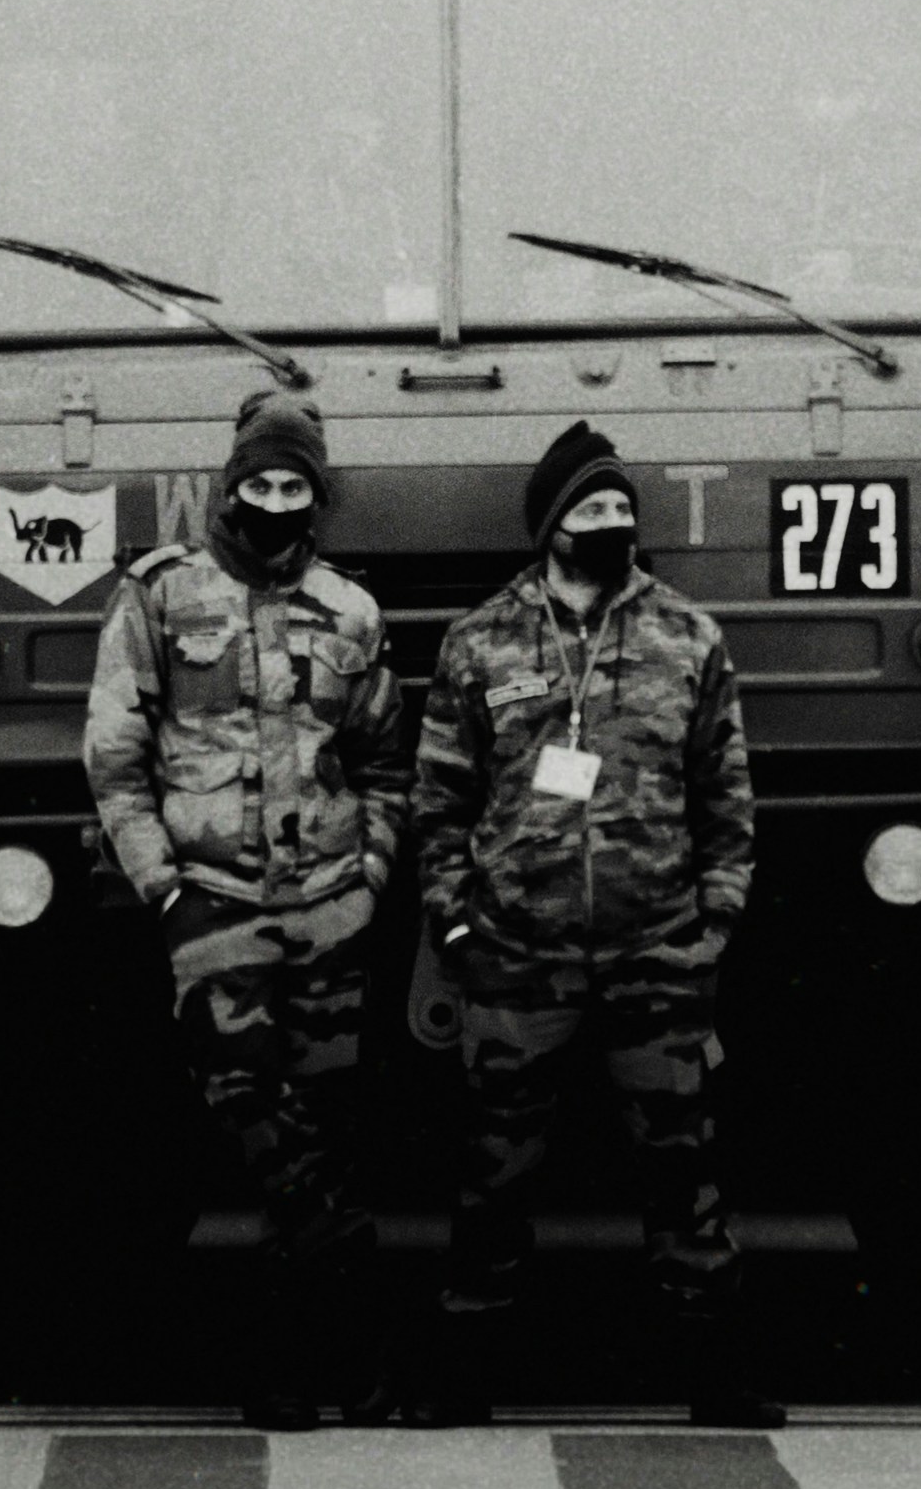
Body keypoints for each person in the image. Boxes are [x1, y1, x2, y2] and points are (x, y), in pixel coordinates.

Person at [407, 420, 785, 1429]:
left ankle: (715, 1373)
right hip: (515, 956)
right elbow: (438, 802)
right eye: (588, 509)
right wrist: (454, 926)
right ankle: (462, 1372)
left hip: (654, 951)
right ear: (550, 526)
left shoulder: (688, 638)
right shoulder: (480, 642)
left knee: (682, 1169)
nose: (608, 524)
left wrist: (711, 926)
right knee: (495, 1172)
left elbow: (727, 802)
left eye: (620, 508)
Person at [84, 390, 408, 1430]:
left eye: (295, 486)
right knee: (263, 1127)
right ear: (231, 489)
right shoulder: (158, 597)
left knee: (320, 1132)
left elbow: (387, 761)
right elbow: (115, 763)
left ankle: (299, 1372)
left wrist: (369, 877)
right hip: (212, 914)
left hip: (328, 915)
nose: (277, 503)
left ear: (316, 496)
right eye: (261, 485)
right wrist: (163, 891)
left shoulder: (349, 612)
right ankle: (346, 1340)